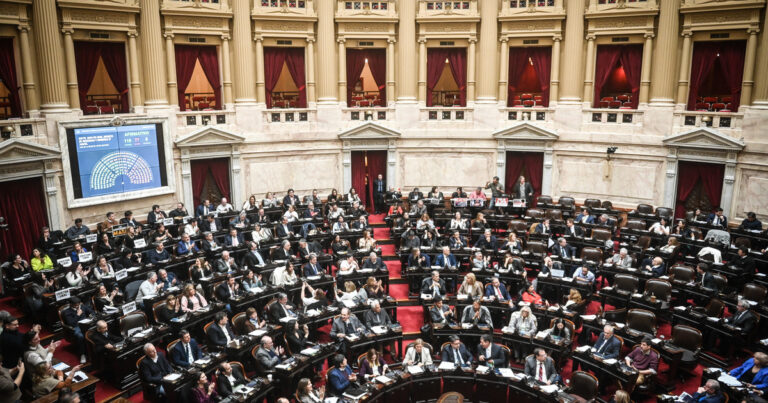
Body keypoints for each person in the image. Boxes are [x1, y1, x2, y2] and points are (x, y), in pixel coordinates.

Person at [61, 297, 92, 363]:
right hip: (76, 326)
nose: (78, 306)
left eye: (78, 304)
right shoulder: (66, 312)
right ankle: (82, 354)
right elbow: (71, 324)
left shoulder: (82, 306)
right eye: (76, 305)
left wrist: (92, 316)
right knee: (80, 336)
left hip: (86, 323)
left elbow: (92, 311)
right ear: (71, 304)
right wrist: (77, 315)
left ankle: (92, 351)